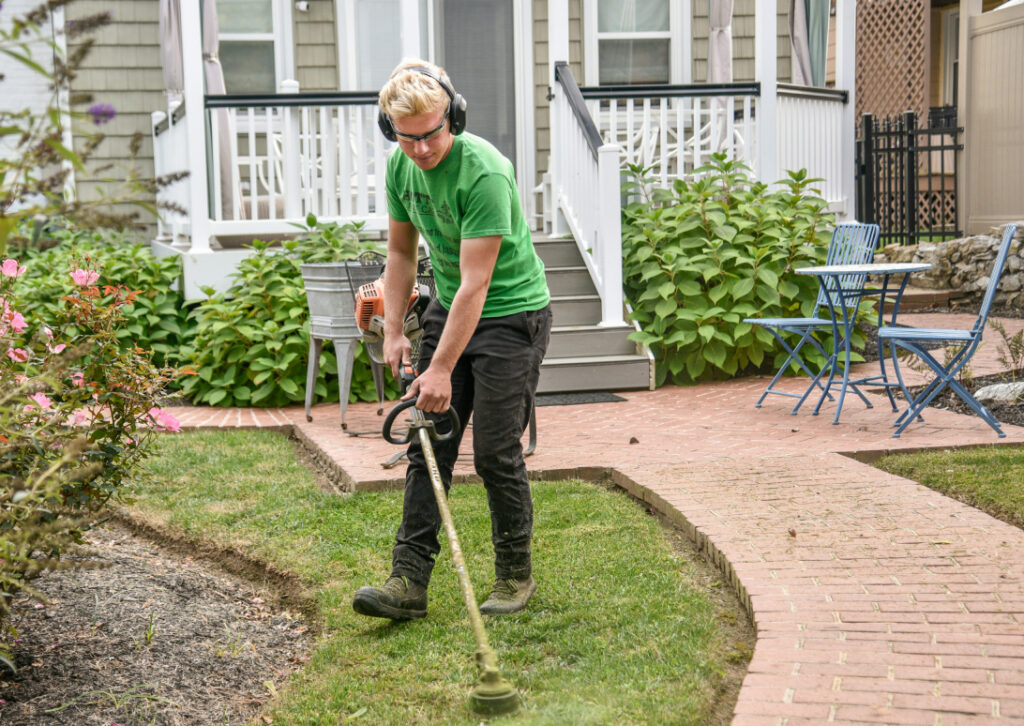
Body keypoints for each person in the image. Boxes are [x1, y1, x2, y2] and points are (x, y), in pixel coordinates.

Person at [353, 59, 552, 621]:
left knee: (493, 450)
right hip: (449, 305)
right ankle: (407, 583)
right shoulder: (401, 166)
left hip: (511, 314)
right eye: (405, 137)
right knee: (427, 442)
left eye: (431, 133)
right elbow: (398, 253)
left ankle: (515, 576)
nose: (419, 149)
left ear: (454, 117)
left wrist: (439, 370)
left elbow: (477, 283)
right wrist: (393, 329)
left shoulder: (483, 172)